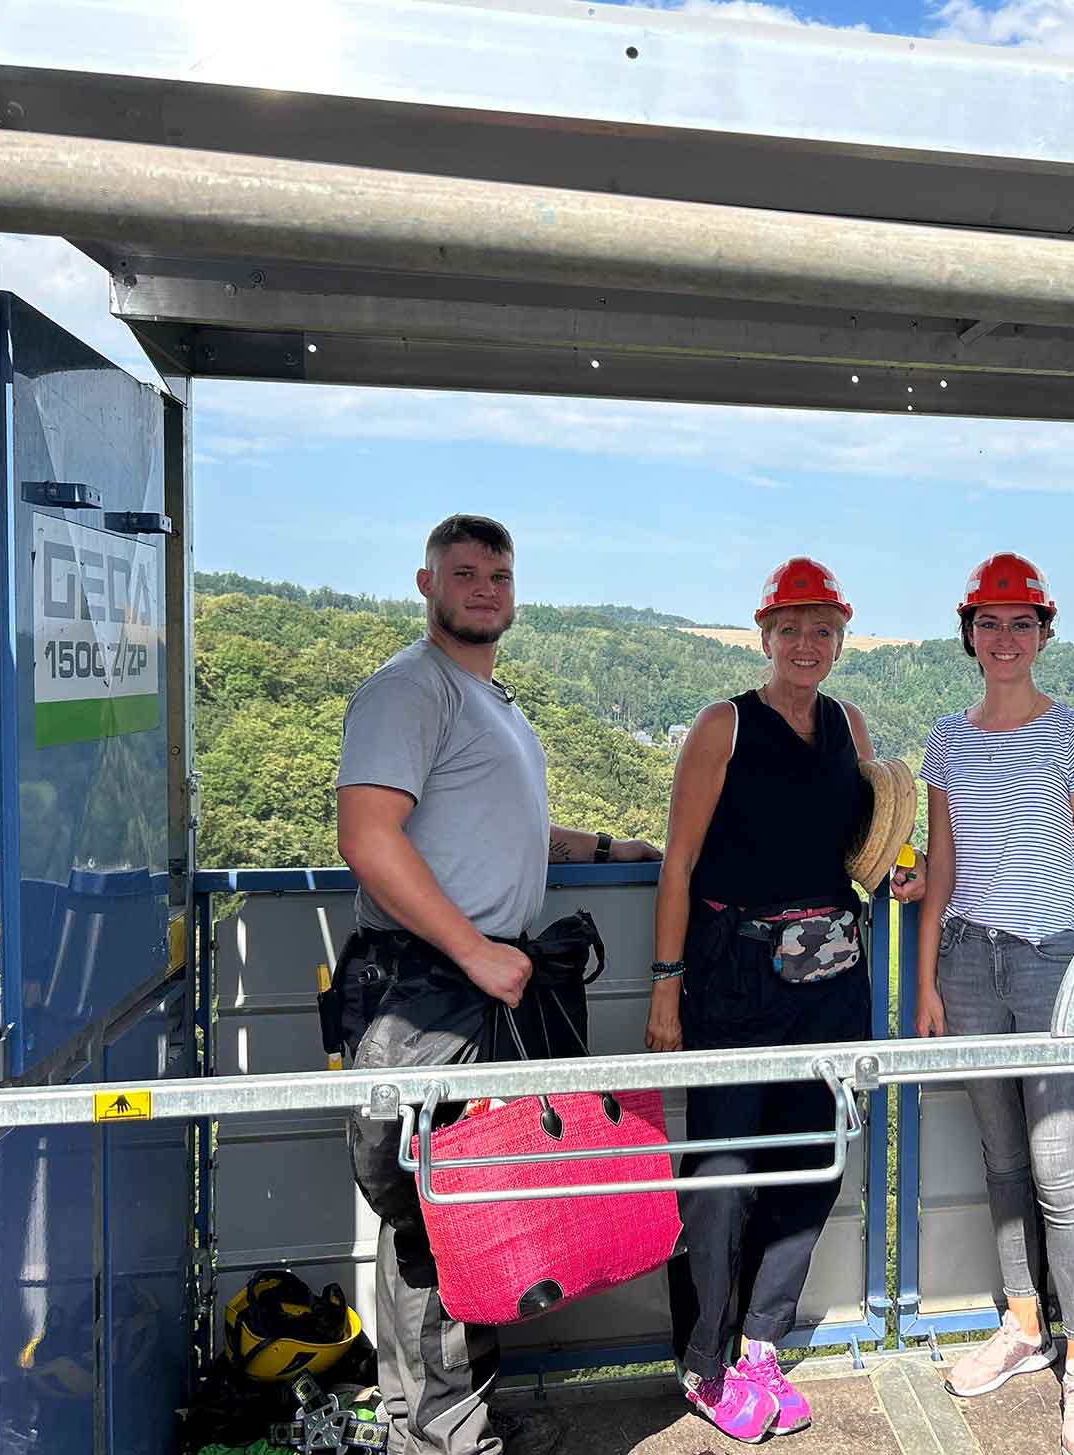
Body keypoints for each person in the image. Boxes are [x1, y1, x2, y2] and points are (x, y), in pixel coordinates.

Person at [337, 514, 658, 1454]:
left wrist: (607, 850)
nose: (484, 588)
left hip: (481, 986)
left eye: (500, 574)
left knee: (487, 1203)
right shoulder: (409, 690)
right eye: (465, 573)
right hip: (431, 986)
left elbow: (495, 829)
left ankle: (451, 1412)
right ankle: (437, 1432)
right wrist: (475, 952)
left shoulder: (490, 702)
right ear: (426, 582)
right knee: (435, 1206)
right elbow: (368, 837)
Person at [645, 557, 922, 1443]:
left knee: (816, 1156)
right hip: (735, 973)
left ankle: (762, 1342)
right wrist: (664, 991)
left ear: (841, 638)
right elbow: (678, 862)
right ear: (764, 636)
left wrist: (900, 871)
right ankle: (703, 1361)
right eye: (792, 628)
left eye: (824, 629)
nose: (808, 644)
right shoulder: (722, 726)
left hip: (834, 974)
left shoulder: (851, 724)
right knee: (724, 1174)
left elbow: (863, 845)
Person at [913, 553, 1074, 1455]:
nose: (1005, 638)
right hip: (968, 961)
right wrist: (924, 979)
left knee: (1058, 1166)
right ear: (970, 635)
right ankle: (1024, 1326)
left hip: (1055, 964)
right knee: (1001, 1157)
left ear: (1043, 634)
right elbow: (943, 868)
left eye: (1021, 623)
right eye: (990, 623)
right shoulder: (947, 740)